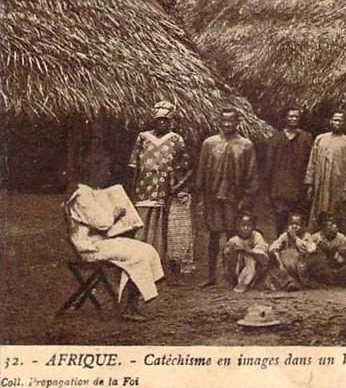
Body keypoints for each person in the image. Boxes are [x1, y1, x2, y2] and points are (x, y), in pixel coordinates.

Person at [66, 184, 164, 322]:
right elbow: (102, 223)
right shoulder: (81, 196)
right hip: (90, 247)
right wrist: (115, 213)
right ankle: (127, 307)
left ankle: (129, 302)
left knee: (147, 249)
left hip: (101, 242)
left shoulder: (88, 191)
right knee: (138, 256)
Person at [196, 106, 258, 287]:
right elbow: (201, 171)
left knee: (235, 238)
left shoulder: (246, 145)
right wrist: (201, 196)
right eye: (224, 120)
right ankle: (210, 276)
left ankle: (234, 275)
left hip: (235, 198)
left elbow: (252, 174)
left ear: (238, 122)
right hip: (213, 197)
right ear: (219, 122)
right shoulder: (209, 143)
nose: (227, 124)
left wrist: (245, 198)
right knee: (213, 237)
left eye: (231, 120)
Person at [128, 101, 190, 281]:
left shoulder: (176, 140)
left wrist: (177, 187)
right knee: (142, 229)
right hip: (142, 190)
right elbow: (134, 166)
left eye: (166, 120)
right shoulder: (142, 137)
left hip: (165, 192)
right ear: (154, 120)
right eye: (159, 120)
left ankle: (158, 270)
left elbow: (183, 166)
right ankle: (139, 265)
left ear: (171, 122)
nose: (162, 123)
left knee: (162, 231)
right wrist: (132, 191)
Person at [263, 106, 313, 235]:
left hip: (298, 186)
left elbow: (311, 161)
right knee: (280, 218)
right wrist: (269, 185)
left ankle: (296, 248)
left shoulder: (306, 138)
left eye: (296, 117)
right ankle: (279, 245)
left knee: (297, 220)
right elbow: (269, 163)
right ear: (285, 118)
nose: (293, 119)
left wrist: (308, 183)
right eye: (291, 116)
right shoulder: (276, 138)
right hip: (280, 187)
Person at [305, 110, 346, 233]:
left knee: (334, 211)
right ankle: (315, 236)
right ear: (331, 121)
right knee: (317, 210)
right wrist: (310, 183)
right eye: (335, 120)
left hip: (337, 184)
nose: (337, 123)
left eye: (340, 121)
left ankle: (332, 238)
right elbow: (313, 161)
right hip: (320, 184)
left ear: (344, 123)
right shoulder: (320, 139)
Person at [305, 212, 346, 286]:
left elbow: (343, 257)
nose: (334, 226)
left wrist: (338, 253)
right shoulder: (316, 238)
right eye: (330, 225)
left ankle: (336, 277)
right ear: (323, 227)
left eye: (335, 224)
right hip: (321, 267)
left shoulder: (341, 238)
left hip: (337, 266)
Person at [267, 211, 317, 290]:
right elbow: (272, 248)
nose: (294, 226)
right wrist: (277, 255)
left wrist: (296, 238)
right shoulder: (285, 235)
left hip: (301, 267)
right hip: (287, 267)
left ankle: (299, 282)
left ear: (302, 226)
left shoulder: (306, 235)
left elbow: (311, 249)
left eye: (297, 224)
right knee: (277, 260)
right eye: (292, 224)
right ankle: (289, 282)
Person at [222, 215, 269, 293]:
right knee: (242, 256)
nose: (246, 228)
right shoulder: (234, 240)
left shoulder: (256, 236)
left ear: (253, 227)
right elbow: (227, 260)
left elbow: (262, 252)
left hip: (257, 268)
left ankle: (247, 282)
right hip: (238, 268)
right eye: (243, 225)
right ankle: (241, 281)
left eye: (249, 225)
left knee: (250, 257)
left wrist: (247, 250)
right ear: (237, 227)